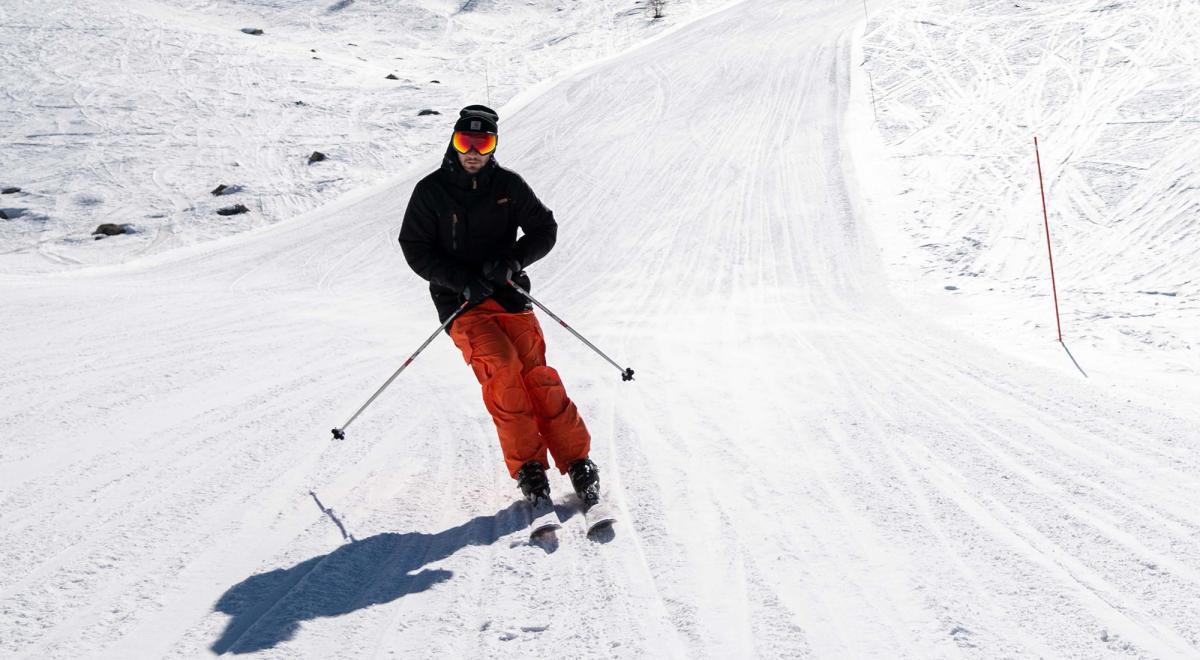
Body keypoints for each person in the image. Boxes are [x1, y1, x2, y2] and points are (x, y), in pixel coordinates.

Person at [398, 104, 600, 507]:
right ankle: (528, 465)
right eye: (465, 141)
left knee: (536, 373)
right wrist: (459, 281)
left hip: (508, 294)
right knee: (503, 370)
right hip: (462, 303)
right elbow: (415, 248)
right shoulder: (431, 191)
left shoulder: (508, 185)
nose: (472, 151)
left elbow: (545, 228)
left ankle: (577, 459)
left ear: (493, 146)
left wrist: (513, 261)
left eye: (482, 142)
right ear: (453, 143)